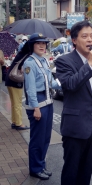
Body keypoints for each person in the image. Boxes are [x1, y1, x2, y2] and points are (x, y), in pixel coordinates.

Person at [55, 21, 92, 185]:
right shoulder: (64, 61)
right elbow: (71, 85)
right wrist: (89, 63)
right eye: (84, 36)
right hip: (74, 127)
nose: (89, 40)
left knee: (87, 169)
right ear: (74, 40)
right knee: (71, 171)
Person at [23, 33, 61, 180]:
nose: (42, 46)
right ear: (32, 45)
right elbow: (30, 89)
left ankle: (41, 164)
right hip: (38, 103)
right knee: (37, 138)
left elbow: (51, 82)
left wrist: (65, 83)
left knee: (46, 137)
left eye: (44, 43)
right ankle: (35, 169)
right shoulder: (29, 63)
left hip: (48, 101)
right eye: (38, 43)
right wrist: (35, 108)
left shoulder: (44, 61)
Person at [5, 43, 30, 130]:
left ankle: (15, 121)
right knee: (18, 103)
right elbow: (23, 70)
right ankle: (18, 124)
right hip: (15, 81)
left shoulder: (21, 53)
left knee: (14, 103)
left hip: (10, 79)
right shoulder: (27, 56)